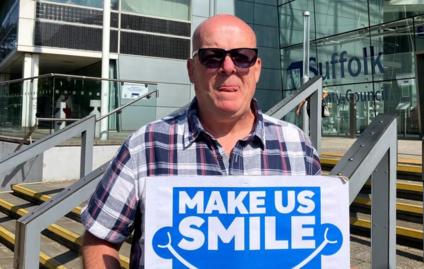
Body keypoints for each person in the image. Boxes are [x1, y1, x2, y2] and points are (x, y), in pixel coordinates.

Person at [81, 14, 321, 269]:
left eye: (242, 57)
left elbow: (321, 246)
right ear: (191, 69)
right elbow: (100, 240)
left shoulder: (297, 146)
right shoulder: (146, 146)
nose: (228, 67)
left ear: (257, 68)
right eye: (212, 57)